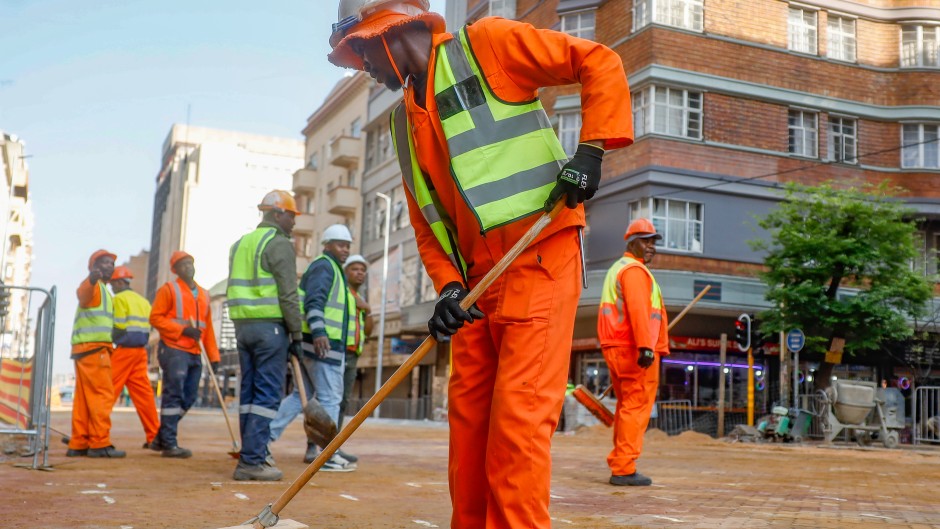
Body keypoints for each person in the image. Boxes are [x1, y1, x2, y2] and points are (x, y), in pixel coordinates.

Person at [328, 2, 633, 527]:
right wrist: (447, 287)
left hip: (539, 257)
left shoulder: (487, 44)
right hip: (473, 286)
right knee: (467, 429)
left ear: (388, 32)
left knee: (517, 430)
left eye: (360, 51)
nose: (362, 67)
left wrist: (591, 151)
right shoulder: (403, 122)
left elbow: (600, 61)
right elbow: (427, 222)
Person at [227, 190, 305, 481]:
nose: (294, 222)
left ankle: (251, 454)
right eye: (291, 215)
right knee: (267, 395)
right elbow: (288, 294)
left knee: (248, 394)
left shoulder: (240, 244)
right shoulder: (279, 243)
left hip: (243, 327)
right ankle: (252, 460)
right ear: (276, 214)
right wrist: (296, 334)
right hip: (270, 328)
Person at [597, 218, 669, 486]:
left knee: (628, 407)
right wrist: (646, 346)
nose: (651, 246)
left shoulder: (620, 268)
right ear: (631, 242)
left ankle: (621, 462)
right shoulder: (634, 271)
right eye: (645, 240)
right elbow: (639, 312)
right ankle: (624, 467)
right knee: (636, 407)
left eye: (653, 242)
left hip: (619, 346)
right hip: (634, 349)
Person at [298, 223, 358, 471]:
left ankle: (263, 440)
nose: (345, 250)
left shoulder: (333, 269)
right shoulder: (325, 266)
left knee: (297, 399)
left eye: (347, 246)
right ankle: (327, 455)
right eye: (340, 245)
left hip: (325, 346)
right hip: (324, 346)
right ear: (327, 245)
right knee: (331, 399)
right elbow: (315, 301)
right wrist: (320, 331)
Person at [149, 251, 220, 458]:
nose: (188, 267)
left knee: (189, 397)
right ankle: (169, 443)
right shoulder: (169, 290)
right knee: (173, 394)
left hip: (195, 352)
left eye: (190, 263)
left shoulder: (205, 294)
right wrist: (181, 330)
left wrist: (214, 357)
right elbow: (155, 318)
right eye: (183, 265)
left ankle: (162, 436)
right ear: (176, 270)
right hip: (174, 349)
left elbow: (208, 332)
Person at [67, 249, 126, 458]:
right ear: (94, 267)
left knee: (83, 400)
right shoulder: (94, 286)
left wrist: (114, 331)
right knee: (101, 396)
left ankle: (79, 442)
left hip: (84, 349)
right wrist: (91, 279)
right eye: (105, 263)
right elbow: (83, 294)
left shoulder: (103, 291)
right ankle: (100, 442)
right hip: (95, 350)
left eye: (111, 263)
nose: (110, 266)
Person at [109, 265, 160, 449]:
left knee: (108, 391)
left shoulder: (119, 299)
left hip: (124, 351)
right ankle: (154, 436)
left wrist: (111, 341)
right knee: (144, 395)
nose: (112, 288)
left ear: (121, 282)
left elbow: (119, 327)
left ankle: (93, 433)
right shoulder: (143, 301)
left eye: (113, 284)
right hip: (140, 352)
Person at [339, 254, 372, 434]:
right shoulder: (342, 293)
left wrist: (368, 310)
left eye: (362, 270)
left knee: (343, 400)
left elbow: (369, 331)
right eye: (355, 269)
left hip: (352, 354)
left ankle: (331, 445)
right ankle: (321, 447)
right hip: (338, 352)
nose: (360, 273)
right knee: (331, 399)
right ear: (345, 272)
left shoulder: (359, 298)